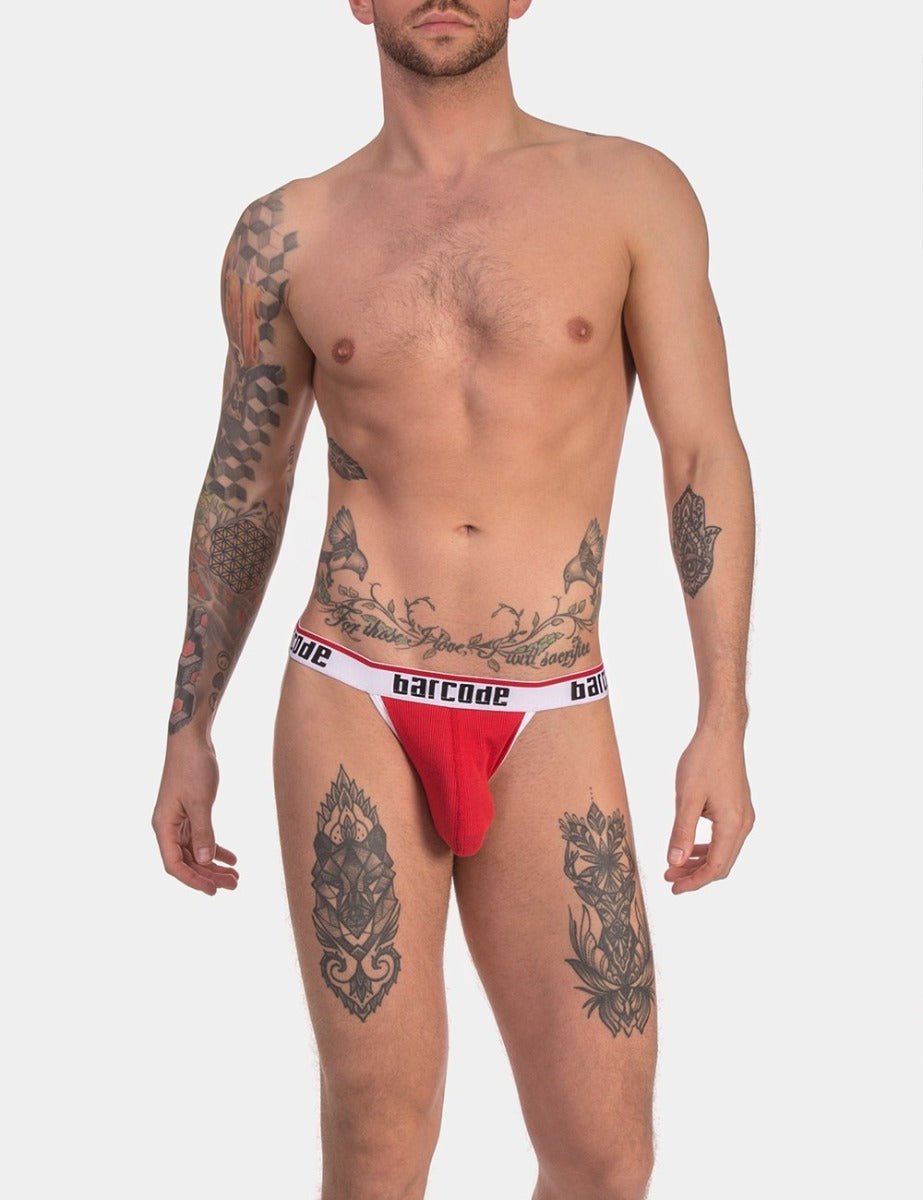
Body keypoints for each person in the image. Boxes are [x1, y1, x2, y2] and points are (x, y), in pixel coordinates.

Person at [152, 2, 756, 1196]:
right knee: (380, 1137)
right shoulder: (286, 232)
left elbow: (700, 454)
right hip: (351, 693)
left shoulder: (628, 194)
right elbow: (244, 487)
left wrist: (721, 716)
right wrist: (188, 727)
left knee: (605, 1151)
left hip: (552, 702)